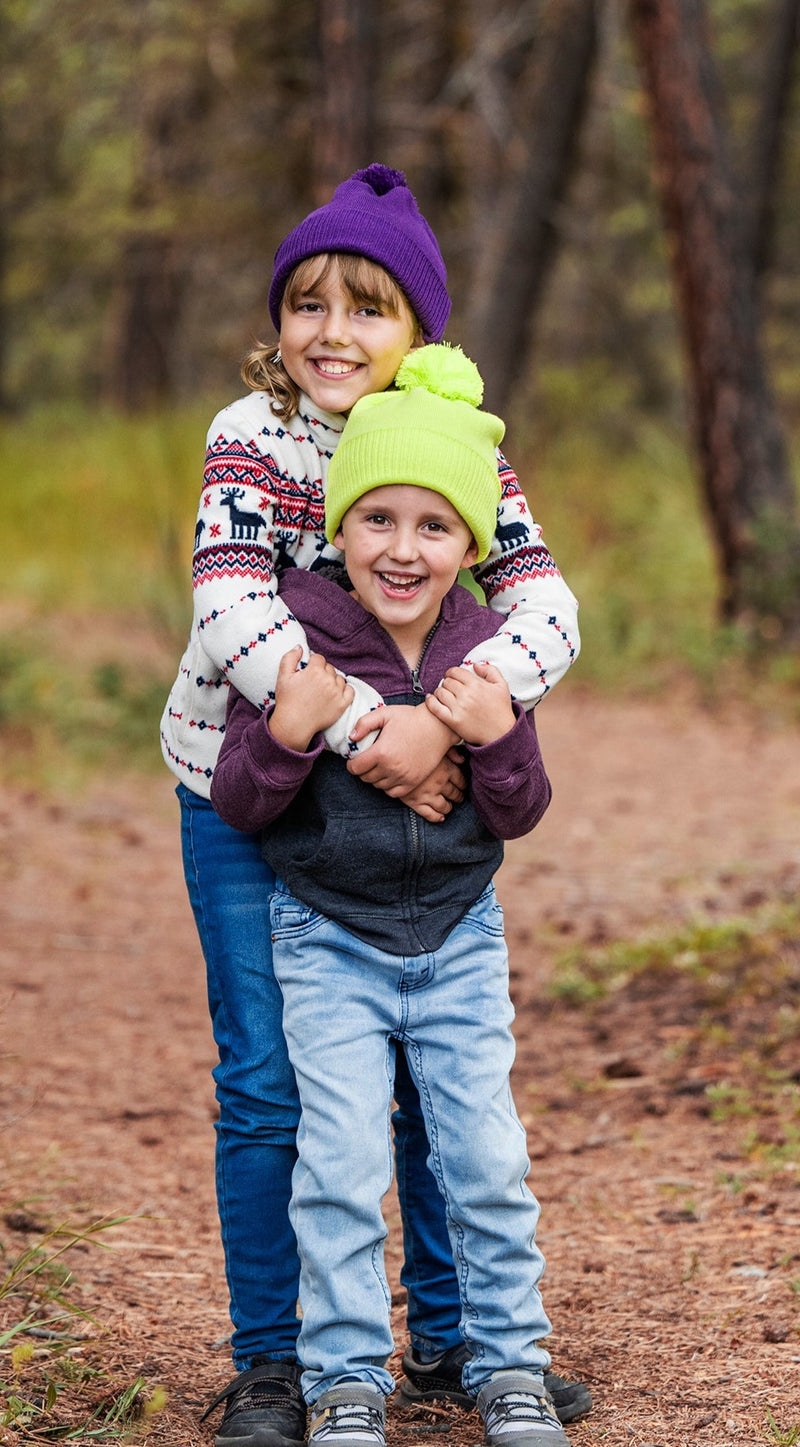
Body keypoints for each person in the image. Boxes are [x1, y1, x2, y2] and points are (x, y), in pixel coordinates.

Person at [160, 164, 587, 1447]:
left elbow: (547, 607)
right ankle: (276, 1364)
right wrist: (375, 733)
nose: (332, 332)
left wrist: (460, 708)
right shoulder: (252, 435)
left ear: (419, 333)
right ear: (277, 321)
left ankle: (454, 1341)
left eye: (367, 307)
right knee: (273, 1085)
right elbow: (232, 606)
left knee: (425, 1088)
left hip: (411, 788)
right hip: (241, 783)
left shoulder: (456, 446)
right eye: (307, 303)